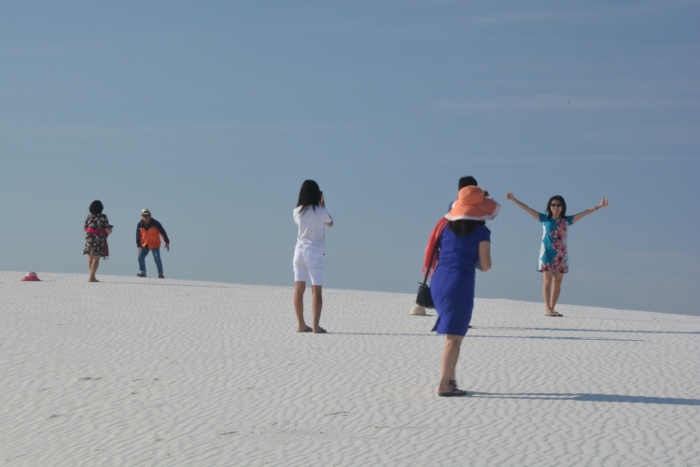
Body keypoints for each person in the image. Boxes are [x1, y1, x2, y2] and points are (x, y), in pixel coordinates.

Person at [423, 185, 499, 396]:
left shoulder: (445, 226)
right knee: (455, 338)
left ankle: (451, 378)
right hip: (460, 282)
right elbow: (486, 264)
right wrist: (472, 261)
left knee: (452, 335)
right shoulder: (482, 232)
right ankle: (444, 385)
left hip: (439, 280)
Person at [506, 191, 609, 316]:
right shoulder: (545, 219)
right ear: (550, 206)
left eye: (559, 205)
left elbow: (584, 213)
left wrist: (599, 206)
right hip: (546, 253)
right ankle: (547, 308)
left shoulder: (567, 220)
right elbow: (528, 209)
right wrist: (513, 199)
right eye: (553, 204)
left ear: (563, 207)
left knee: (557, 282)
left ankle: (552, 308)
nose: (556, 207)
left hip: (561, 255)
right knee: (547, 281)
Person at [293, 180, 333, 333]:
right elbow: (330, 223)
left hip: (299, 251)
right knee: (316, 290)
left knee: (299, 288)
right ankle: (316, 325)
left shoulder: (297, 211)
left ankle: (301, 324)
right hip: (315, 252)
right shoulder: (321, 210)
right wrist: (323, 206)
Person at [136, 208, 170, 279]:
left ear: (150, 215)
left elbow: (163, 232)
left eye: (148, 215)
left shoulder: (155, 223)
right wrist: (138, 245)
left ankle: (160, 274)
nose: (146, 217)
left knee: (157, 258)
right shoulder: (140, 224)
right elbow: (138, 235)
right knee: (140, 257)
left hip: (154, 244)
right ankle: (143, 272)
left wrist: (166, 242)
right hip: (145, 244)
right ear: (142, 216)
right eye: (144, 215)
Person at [83, 200, 112, 282]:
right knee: (96, 258)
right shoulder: (103, 217)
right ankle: (92, 277)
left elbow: (84, 228)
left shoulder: (89, 216)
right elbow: (107, 229)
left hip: (89, 236)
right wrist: (110, 230)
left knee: (90, 257)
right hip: (98, 237)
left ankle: (91, 275)